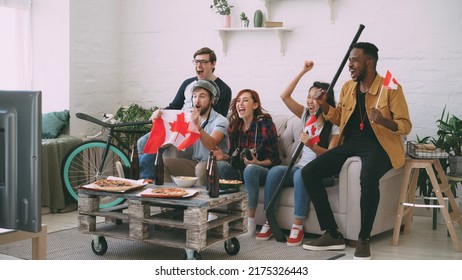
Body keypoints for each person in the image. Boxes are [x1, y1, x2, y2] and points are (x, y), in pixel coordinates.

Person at [300, 42, 412, 260]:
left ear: (369, 63)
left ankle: (364, 239)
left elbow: (405, 125)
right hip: (351, 143)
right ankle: (332, 233)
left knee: (367, 177)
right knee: (308, 172)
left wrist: (383, 120)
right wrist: (324, 106)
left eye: (354, 60)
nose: (349, 65)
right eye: (349, 60)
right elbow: (340, 119)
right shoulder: (348, 88)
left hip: (380, 146)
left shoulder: (391, 88)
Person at [257, 61, 340, 246]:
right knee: (276, 171)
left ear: (325, 100)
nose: (310, 101)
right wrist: (303, 71)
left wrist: (311, 145)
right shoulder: (306, 116)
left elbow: (331, 157)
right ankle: (269, 220)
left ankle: (298, 224)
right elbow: (284, 95)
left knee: (302, 175)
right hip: (300, 167)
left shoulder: (334, 123)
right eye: (309, 96)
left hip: (320, 173)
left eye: (316, 97)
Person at [138, 47, 231, 179]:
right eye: (196, 61)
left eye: (203, 62)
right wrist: (160, 112)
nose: (199, 65)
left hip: (196, 127)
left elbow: (217, 116)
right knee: (143, 142)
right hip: (179, 125)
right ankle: (145, 179)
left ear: (213, 64)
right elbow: (174, 106)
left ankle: (137, 174)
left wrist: (195, 122)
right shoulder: (187, 84)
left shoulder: (223, 89)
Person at [214, 89, 281, 237]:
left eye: (245, 100)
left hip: (262, 172)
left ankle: (249, 223)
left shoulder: (266, 125)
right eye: (238, 101)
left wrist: (257, 162)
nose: (240, 104)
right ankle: (215, 216)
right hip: (239, 171)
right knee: (218, 166)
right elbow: (233, 155)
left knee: (250, 169)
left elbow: (275, 159)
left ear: (255, 105)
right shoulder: (234, 126)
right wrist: (223, 156)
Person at [161, 79, 229, 186]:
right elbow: (172, 132)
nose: (197, 100)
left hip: (214, 164)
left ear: (212, 100)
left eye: (202, 96)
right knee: (162, 163)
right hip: (195, 163)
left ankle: (204, 201)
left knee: (201, 167)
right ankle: (172, 197)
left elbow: (212, 144)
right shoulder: (189, 117)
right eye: (194, 96)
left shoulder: (221, 120)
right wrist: (160, 115)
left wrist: (197, 126)